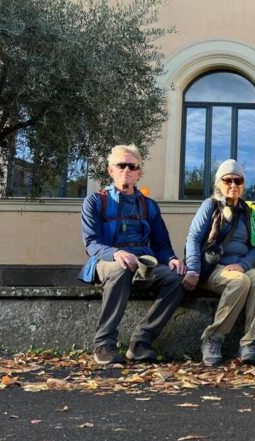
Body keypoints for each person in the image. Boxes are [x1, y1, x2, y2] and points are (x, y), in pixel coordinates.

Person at [79, 144, 185, 365]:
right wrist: (116, 253)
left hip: (144, 264)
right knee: (120, 269)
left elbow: (161, 245)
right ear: (110, 170)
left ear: (139, 173)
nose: (126, 170)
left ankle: (141, 342)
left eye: (132, 166)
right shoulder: (95, 201)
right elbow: (91, 243)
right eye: (121, 165)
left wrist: (172, 259)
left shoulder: (149, 206)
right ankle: (104, 344)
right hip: (106, 261)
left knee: (176, 279)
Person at [183, 159, 255, 367]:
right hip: (213, 267)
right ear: (219, 183)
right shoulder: (210, 206)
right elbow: (194, 238)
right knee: (239, 281)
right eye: (228, 180)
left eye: (238, 181)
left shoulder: (249, 212)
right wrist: (193, 269)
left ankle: (251, 342)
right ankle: (213, 337)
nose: (233, 185)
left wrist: (244, 264)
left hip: (239, 266)